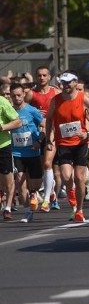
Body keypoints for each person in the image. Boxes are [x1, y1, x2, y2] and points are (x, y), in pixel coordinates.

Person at [45, 72, 89, 222]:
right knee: (67, 177)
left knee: (79, 178)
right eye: (63, 82)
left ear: (75, 82)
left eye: (69, 82)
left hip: (80, 144)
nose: (66, 85)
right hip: (63, 143)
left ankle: (79, 210)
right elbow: (48, 120)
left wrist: (87, 133)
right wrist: (49, 139)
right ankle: (72, 198)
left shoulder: (83, 98)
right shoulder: (56, 100)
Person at [9, 83, 44, 222]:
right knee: (20, 184)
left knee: (34, 184)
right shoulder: (10, 112)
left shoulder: (32, 110)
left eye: (19, 95)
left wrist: (39, 141)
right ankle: (28, 212)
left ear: (24, 94)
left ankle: (35, 193)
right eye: (13, 96)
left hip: (33, 152)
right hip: (17, 153)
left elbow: (45, 125)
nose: (16, 98)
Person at [29, 66, 60, 212]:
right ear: (36, 77)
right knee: (43, 167)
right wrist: (35, 113)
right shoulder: (31, 94)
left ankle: (46, 200)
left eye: (44, 75)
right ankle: (52, 192)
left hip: (52, 132)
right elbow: (24, 110)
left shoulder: (56, 93)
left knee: (48, 163)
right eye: (39, 75)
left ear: (49, 77)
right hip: (36, 133)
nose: (41, 78)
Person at [0, 87, 23, 220]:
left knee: (8, 180)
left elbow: (17, 121)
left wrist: (2, 127)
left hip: (3, 146)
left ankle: (8, 207)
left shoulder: (2, 101)